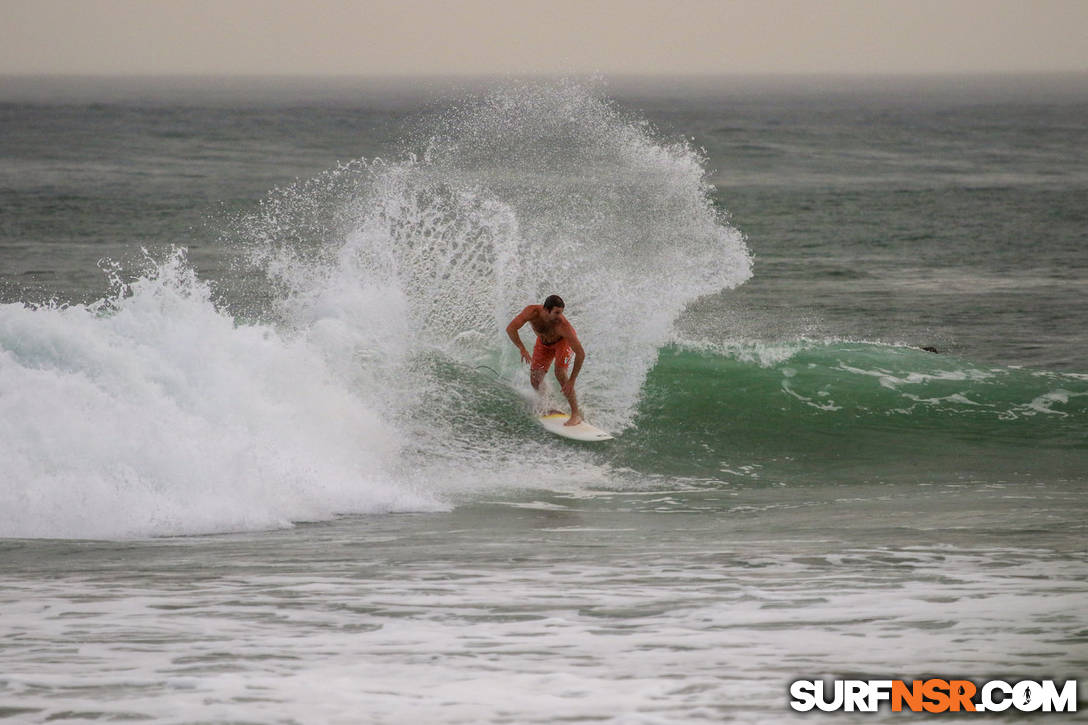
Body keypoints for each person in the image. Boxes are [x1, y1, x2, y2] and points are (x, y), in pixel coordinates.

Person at [506, 294, 585, 426]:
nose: (560, 316)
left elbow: (581, 354)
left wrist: (572, 380)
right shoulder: (532, 312)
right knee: (535, 380)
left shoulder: (563, 326)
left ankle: (575, 414)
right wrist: (522, 349)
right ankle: (548, 404)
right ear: (546, 310)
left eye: (561, 313)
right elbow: (511, 328)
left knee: (560, 373)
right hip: (543, 344)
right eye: (557, 312)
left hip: (561, 343)